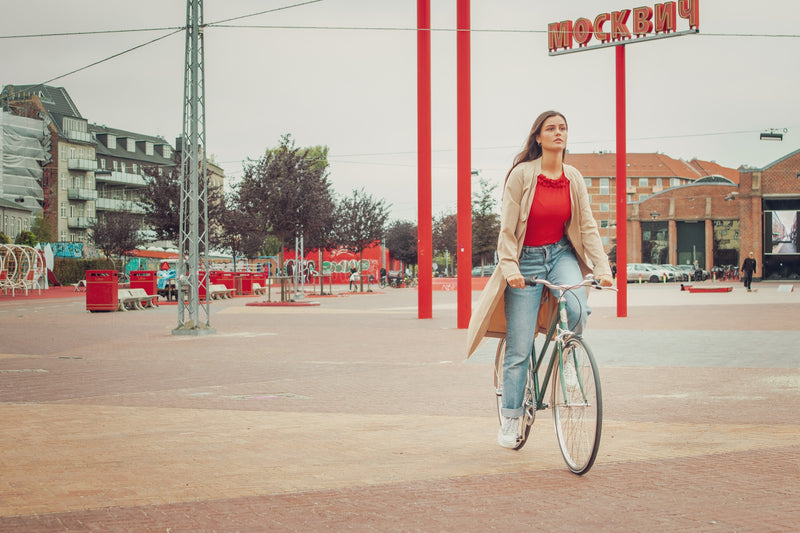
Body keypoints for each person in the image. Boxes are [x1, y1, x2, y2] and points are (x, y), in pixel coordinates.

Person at [466, 110, 613, 450]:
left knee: (577, 306)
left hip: (561, 253)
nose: (558, 133)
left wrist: (602, 268)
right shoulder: (522, 175)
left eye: (563, 128)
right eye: (551, 128)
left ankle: (568, 360)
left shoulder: (573, 177)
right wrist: (510, 268)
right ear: (538, 137)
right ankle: (512, 416)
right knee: (519, 346)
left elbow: (587, 226)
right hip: (526, 258)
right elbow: (507, 229)